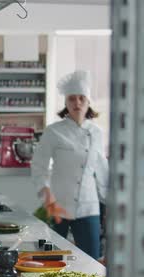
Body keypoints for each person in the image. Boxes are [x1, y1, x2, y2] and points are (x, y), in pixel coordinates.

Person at [31, 70, 108, 259]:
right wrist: (47, 196)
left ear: (89, 102)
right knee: (51, 260)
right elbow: (38, 166)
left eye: (82, 98)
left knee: (91, 262)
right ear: (66, 103)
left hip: (88, 207)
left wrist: (110, 204)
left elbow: (101, 170)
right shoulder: (53, 132)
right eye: (72, 99)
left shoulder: (96, 132)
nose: (77, 103)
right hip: (57, 205)